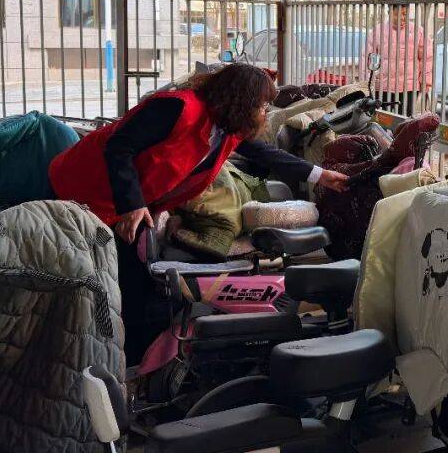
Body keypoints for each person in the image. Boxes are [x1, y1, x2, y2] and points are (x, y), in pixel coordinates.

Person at [48, 63, 348, 363]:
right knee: (111, 279)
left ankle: (131, 358)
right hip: (83, 189)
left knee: (135, 283)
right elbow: (119, 146)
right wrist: (132, 204)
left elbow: (266, 153)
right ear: (240, 101)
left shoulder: (225, 129)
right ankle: (112, 357)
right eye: (261, 105)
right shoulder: (178, 108)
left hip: (129, 205)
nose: (264, 112)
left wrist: (320, 175)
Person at [363, 0, 433, 116]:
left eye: (405, 14)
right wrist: (366, 84)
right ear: (389, 13)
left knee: (405, 120)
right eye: (397, 14)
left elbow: (427, 59)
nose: (402, 18)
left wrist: (425, 82)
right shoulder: (378, 31)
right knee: (383, 120)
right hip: (384, 86)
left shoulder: (418, 31)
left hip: (409, 87)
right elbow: (368, 58)